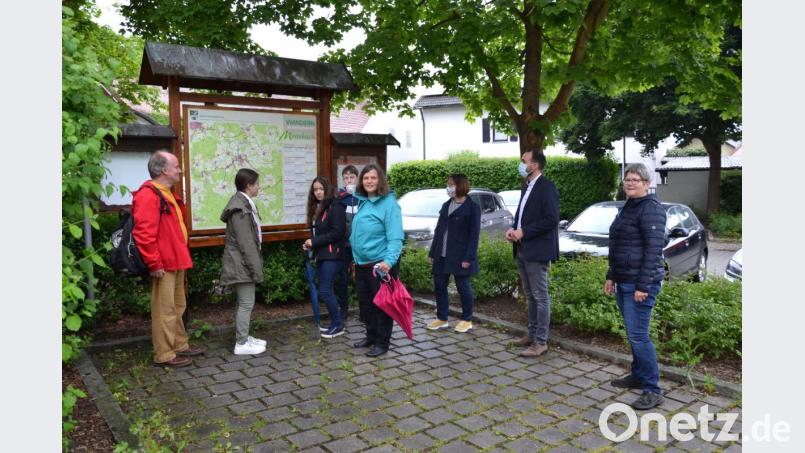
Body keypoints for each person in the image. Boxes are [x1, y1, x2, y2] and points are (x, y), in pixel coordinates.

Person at [132, 150, 204, 368]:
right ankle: (164, 354)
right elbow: (144, 234)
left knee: (178, 306)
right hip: (163, 263)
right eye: (176, 166)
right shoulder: (149, 195)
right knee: (165, 310)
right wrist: (154, 263)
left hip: (176, 260)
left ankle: (179, 344)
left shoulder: (166, 193)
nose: (180, 170)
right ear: (164, 170)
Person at [604, 163, 667, 410]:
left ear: (647, 184)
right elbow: (617, 245)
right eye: (627, 179)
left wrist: (643, 285)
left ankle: (653, 389)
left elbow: (653, 251)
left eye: (635, 180)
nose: (630, 183)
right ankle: (638, 375)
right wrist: (611, 275)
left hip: (640, 284)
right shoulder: (629, 206)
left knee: (639, 336)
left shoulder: (651, 209)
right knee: (633, 334)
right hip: (624, 280)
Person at [506, 150, 559, 358]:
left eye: (524, 161)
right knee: (530, 296)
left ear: (534, 165)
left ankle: (541, 342)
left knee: (540, 296)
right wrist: (513, 229)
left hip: (537, 250)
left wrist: (524, 231)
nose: (521, 164)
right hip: (522, 248)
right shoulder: (526, 186)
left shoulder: (546, 187)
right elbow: (523, 216)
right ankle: (532, 334)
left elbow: (551, 219)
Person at [350, 164, 404, 357]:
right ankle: (371, 336)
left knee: (383, 306)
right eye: (366, 178)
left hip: (381, 265)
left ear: (380, 180)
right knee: (367, 304)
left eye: (373, 178)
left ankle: (382, 343)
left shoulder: (389, 204)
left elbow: (396, 237)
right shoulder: (364, 202)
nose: (369, 181)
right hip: (362, 264)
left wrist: (388, 262)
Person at [219, 168, 267, 355]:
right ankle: (241, 343)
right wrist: (256, 270)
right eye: (257, 184)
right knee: (247, 303)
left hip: (240, 262)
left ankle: (244, 336)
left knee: (243, 302)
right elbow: (246, 244)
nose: (259, 187)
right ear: (248, 186)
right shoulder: (240, 209)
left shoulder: (243, 204)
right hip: (241, 264)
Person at [426, 173, 481, 333]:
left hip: (460, 256)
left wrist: (469, 257)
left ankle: (466, 319)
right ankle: (442, 318)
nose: (448, 188)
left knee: (463, 287)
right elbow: (439, 230)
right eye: (448, 184)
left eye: (451, 184)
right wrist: (432, 252)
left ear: (460, 186)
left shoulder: (472, 208)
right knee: (439, 286)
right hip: (441, 254)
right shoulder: (446, 205)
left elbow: (474, 235)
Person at [303, 176, 348, 339]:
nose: (318, 192)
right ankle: (336, 323)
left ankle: (338, 325)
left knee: (325, 290)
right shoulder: (319, 208)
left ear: (327, 189)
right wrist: (311, 245)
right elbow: (320, 233)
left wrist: (314, 241)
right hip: (323, 255)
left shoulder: (335, 207)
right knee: (325, 290)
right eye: (315, 189)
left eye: (321, 189)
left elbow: (337, 232)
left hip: (334, 255)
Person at [336, 165, 360, 323]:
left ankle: (365, 309)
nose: (349, 180)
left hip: (359, 245)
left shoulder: (363, 197)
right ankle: (343, 309)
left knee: (362, 278)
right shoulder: (339, 198)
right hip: (344, 245)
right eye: (346, 178)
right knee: (343, 278)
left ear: (357, 179)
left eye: (352, 177)